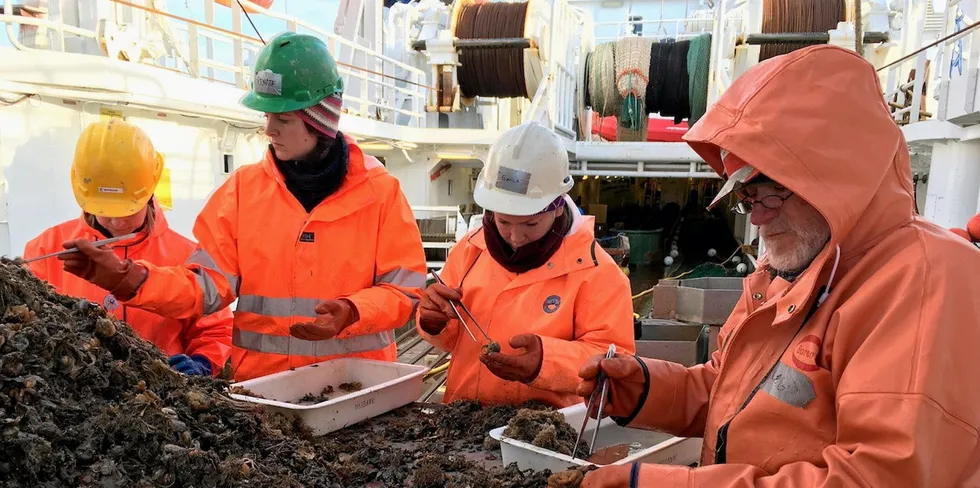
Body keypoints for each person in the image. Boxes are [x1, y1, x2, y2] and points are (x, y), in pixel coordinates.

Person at [576, 45, 980, 487]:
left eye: (772, 192)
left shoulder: (924, 281)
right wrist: (645, 388)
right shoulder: (787, 271)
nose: (758, 216)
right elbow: (727, 390)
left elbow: (878, 476)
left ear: (838, 178)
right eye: (747, 197)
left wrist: (658, 484)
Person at [55, 32, 427, 382]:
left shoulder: (380, 194)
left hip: (356, 389)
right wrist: (130, 278)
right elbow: (205, 288)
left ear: (320, 122)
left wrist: (352, 311)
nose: (270, 129)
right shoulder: (240, 193)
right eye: (266, 116)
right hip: (265, 397)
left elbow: (405, 293)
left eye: (282, 118)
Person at [417, 122, 636, 407]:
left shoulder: (599, 274)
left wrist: (544, 363)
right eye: (503, 221)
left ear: (557, 206)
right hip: (462, 424)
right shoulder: (469, 251)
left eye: (530, 223)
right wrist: (432, 321)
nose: (515, 237)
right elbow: (452, 340)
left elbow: (615, 365)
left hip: (546, 434)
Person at [24, 119, 233, 377]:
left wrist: (203, 362)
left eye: (128, 209)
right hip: (75, 397)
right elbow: (28, 328)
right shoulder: (46, 250)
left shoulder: (186, 255)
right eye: (105, 211)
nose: (118, 221)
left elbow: (215, 330)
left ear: (150, 191)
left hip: (159, 398)